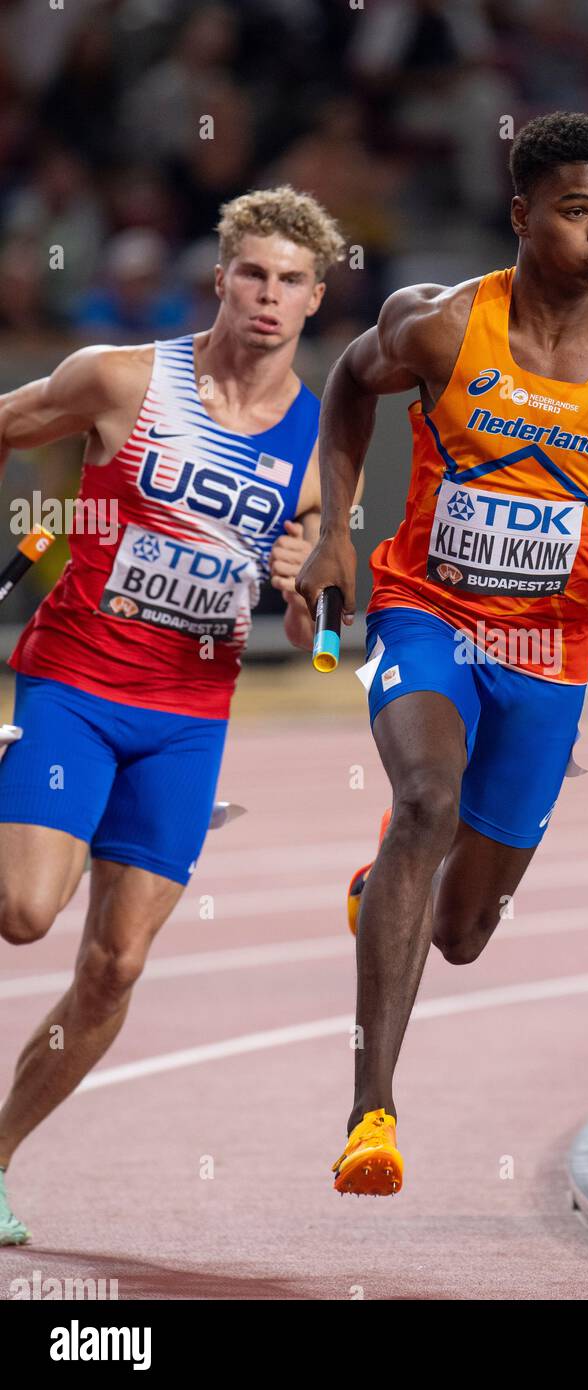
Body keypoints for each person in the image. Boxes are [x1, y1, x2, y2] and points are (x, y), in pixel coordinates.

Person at [296, 111, 588, 1197]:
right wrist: (335, 526)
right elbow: (345, 381)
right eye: (576, 211)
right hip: (425, 607)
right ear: (522, 214)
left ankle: (382, 876)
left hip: (547, 647)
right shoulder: (438, 326)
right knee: (427, 800)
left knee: (465, 931)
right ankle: (370, 1111)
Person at [0, 186, 349, 1244]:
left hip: (189, 719)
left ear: (315, 299)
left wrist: (307, 587)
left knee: (115, 966)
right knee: (23, 913)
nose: (269, 296)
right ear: (222, 275)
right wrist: (26, 536)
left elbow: (322, 635)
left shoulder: (319, 432)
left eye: (291, 282)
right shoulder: (122, 377)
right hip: (75, 680)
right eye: (254, 273)